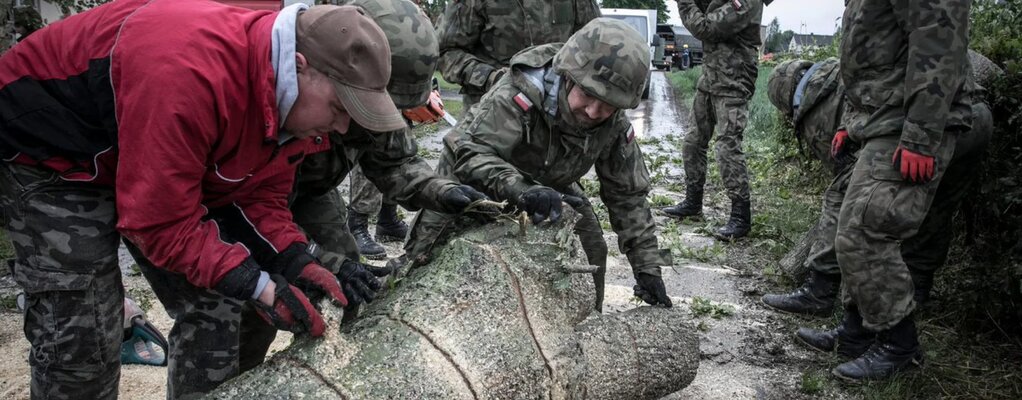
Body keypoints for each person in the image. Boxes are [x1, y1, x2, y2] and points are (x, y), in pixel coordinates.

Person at [0, 1, 400, 398]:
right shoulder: (188, 73)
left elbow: (256, 194)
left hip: (144, 149)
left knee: (219, 301)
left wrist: (295, 258)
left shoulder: (282, 99)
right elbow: (159, 223)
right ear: (298, 66)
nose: (343, 125)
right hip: (51, 152)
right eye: (338, 106)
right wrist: (259, 285)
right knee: (84, 337)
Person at [121, 1, 489, 397]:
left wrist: (445, 192)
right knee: (234, 303)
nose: (352, 123)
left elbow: (396, 164)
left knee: (343, 278)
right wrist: (268, 277)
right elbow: (199, 212)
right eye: (346, 107)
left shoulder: (375, 103)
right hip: (240, 197)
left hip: (303, 195)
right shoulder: (264, 90)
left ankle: (325, 377)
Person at [401, 18, 674, 311]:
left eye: (608, 104)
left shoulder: (614, 124)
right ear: (568, 75)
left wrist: (648, 267)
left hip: (548, 186)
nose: (594, 111)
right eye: (588, 95)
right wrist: (521, 189)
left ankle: (581, 326)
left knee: (592, 247)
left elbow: (629, 196)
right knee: (420, 264)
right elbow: (473, 155)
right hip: (469, 183)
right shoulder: (517, 93)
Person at [795, 0, 973, 381]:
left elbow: (938, 37)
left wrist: (921, 137)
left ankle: (900, 347)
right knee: (852, 224)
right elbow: (869, 55)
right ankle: (856, 334)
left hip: (909, 123)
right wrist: (852, 122)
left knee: (865, 230)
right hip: (881, 119)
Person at [761, 58, 991, 317]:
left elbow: (845, 173)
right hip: (973, 117)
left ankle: (821, 290)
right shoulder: (837, 70)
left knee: (843, 196)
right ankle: (917, 292)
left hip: (922, 126)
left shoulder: (816, 110)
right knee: (937, 208)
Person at [662, 0, 764, 240]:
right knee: (693, 140)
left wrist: (685, 2)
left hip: (734, 79)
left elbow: (707, 28)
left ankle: (740, 217)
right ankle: (693, 202)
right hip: (710, 77)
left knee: (727, 146)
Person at [435, 0, 600, 109]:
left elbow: (595, 44)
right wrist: (492, 78)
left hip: (555, 117)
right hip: (491, 113)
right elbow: (446, 51)